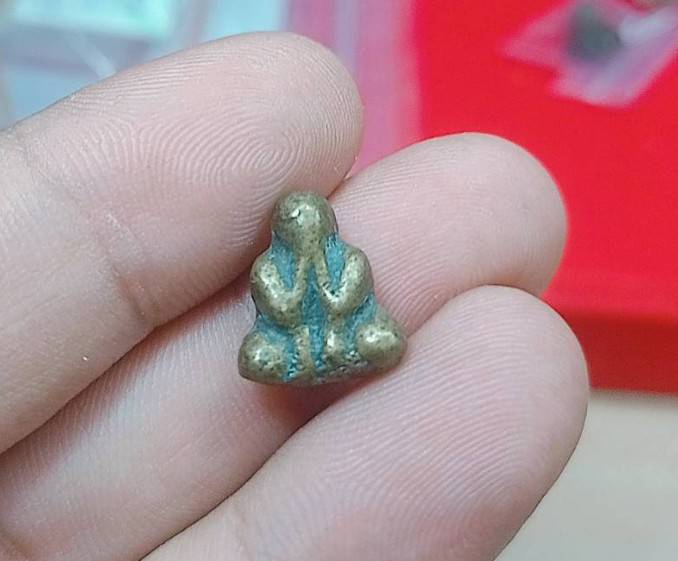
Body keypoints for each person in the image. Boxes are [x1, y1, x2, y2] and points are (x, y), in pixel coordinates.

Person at [0, 33, 587, 561]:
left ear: (325, 228)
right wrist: (300, 298)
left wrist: (324, 294)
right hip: (295, 345)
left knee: (383, 341)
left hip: (338, 337)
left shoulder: (348, 260)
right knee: (257, 357)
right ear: (284, 232)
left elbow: (348, 300)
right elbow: (278, 313)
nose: (305, 237)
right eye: (295, 229)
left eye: (312, 228)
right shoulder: (269, 270)